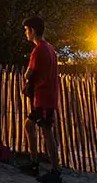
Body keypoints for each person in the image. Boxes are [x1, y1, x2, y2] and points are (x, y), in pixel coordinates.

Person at [22, 15, 62, 183]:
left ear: (33, 30)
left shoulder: (38, 50)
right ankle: (34, 162)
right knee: (30, 125)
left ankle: (54, 170)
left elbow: (29, 73)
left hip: (43, 96)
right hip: (47, 95)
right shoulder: (50, 48)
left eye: (26, 30)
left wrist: (27, 77)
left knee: (46, 130)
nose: (25, 34)